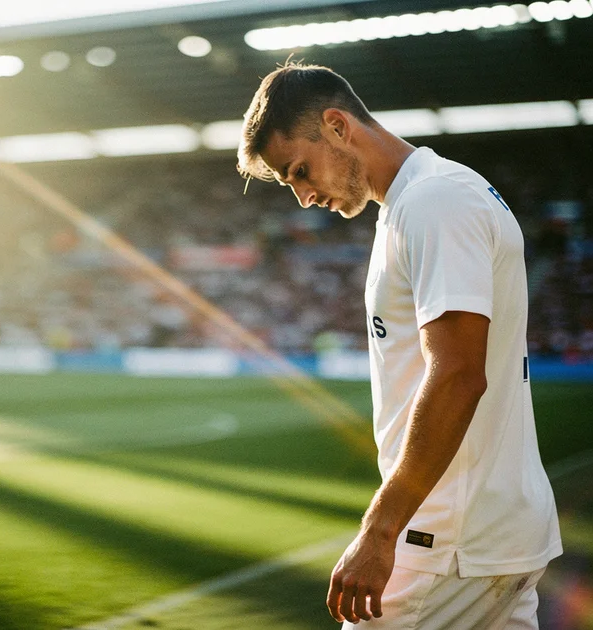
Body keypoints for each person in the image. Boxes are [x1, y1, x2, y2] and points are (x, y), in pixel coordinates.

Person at [237, 62, 562, 629]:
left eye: (299, 171)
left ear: (337, 126)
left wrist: (380, 531)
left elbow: (459, 373)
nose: (305, 197)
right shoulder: (419, 203)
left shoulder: (434, 203)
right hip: (488, 536)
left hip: (444, 542)